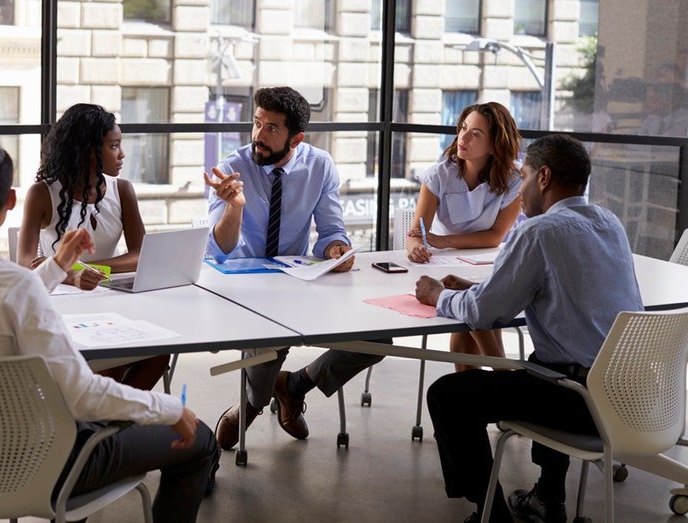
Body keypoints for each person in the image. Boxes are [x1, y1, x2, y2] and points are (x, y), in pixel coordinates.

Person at [0, 136, 219, 522]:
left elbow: (8, 299)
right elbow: (82, 396)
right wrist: (170, 409)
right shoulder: (13, 285)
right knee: (200, 442)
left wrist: (58, 264)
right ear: (10, 202)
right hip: (48, 464)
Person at [414, 134, 643, 523]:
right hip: (630, 392)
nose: (519, 188)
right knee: (545, 364)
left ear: (544, 177)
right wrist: (488, 287)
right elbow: (568, 289)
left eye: (524, 175)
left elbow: (483, 314)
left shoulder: (538, 231)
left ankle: (492, 515)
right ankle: (548, 499)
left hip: (581, 401)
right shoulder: (609, 222)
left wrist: (438, 296)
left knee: (448, 396)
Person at [204, 86, 384, 449]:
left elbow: (332, 231)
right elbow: (219, 250)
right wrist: (234, 206)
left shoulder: (320, 166)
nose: (259, 135)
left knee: (376, 339)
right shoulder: (230, 169)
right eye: (257, 123)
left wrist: (336, 249)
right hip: (242, 283)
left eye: (271, 128)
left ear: (296, 138)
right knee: (268, 336)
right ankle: (252, 406)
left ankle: (294, 384)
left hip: (295, 278)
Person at [18, 103, 170, 391]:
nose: (122, 154)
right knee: (110, 363)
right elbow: (24, 265)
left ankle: (114, 424)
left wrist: (89, 269)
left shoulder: (122, 190)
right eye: (114, 146)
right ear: (88, 150)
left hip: (112, 300)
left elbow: (141, 255)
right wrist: (71, 275)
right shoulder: (41, 194)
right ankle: (108, 426)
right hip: (62, 304)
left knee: (160, 353)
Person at [405, 101, 523, 372]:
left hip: (488, 263)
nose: (463, 138)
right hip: (448, 265)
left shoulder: (515, 179)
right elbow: (416, 234)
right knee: (470, 318)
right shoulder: (439, 175)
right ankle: (502, 375)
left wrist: (443, 241)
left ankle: (499, 378)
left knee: (471, 312)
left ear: (495, 144)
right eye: (463, 129)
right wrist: (415, 247)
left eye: (476, 134)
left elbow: (495, 237)